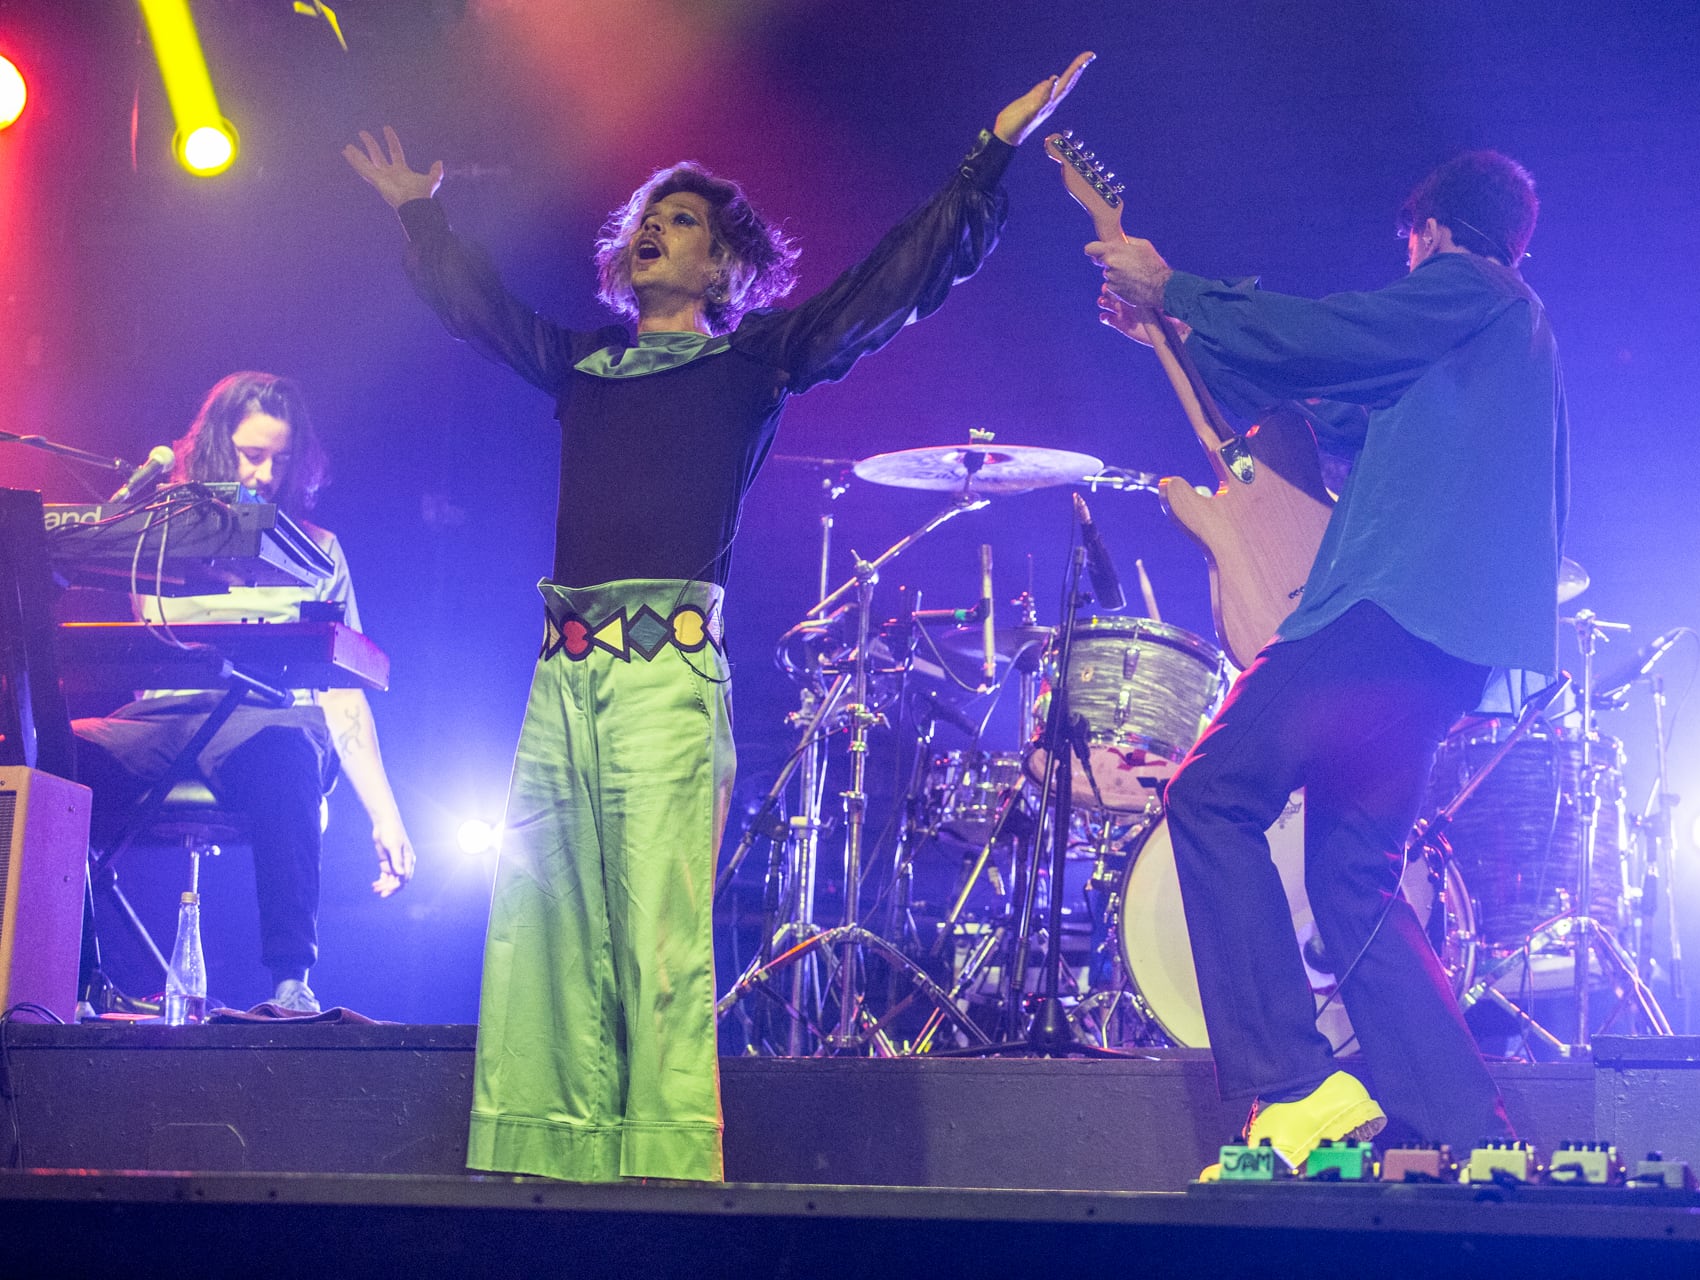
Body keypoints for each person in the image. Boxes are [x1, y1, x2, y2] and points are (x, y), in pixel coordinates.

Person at [344, 51, 1094, 1184]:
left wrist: (986, 158)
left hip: (664, 677)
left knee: (657, 930)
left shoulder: (753, 361)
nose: (654, 228)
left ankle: (661, 1171)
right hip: (564, 675)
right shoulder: (583, 361)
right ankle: (551, 1154)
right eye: (648, 216)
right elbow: (481, 311)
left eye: (681, 219)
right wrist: (423, 217)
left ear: (725, 260)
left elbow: (884, 287)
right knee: (544, 925)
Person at [1088, 150, 1567, 1172]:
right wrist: (1170, 329)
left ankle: (1296, 1087)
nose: (1408, 262)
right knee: (1352, 876)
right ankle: (1474, 1132)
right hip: (1444, 650)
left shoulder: (1470, 289)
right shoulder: (1477, 348)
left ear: (1431, 232)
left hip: (1389, 612)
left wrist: (1178, 286)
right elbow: (1312, 405)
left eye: (1410, 245)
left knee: (1212, 794)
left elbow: (1324, 338)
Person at [73, 371, 415, 1014]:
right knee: (60, 760)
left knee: (289, 759)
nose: (264, 475)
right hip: (163, 717)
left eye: (280, 461)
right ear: (214, 449)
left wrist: (384, 812)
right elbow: (155, 623)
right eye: (251, 455)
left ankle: (292, 979)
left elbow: (342, 694)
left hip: (266, 721)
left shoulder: (319, 551)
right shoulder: (162, 533)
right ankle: (77, 972)